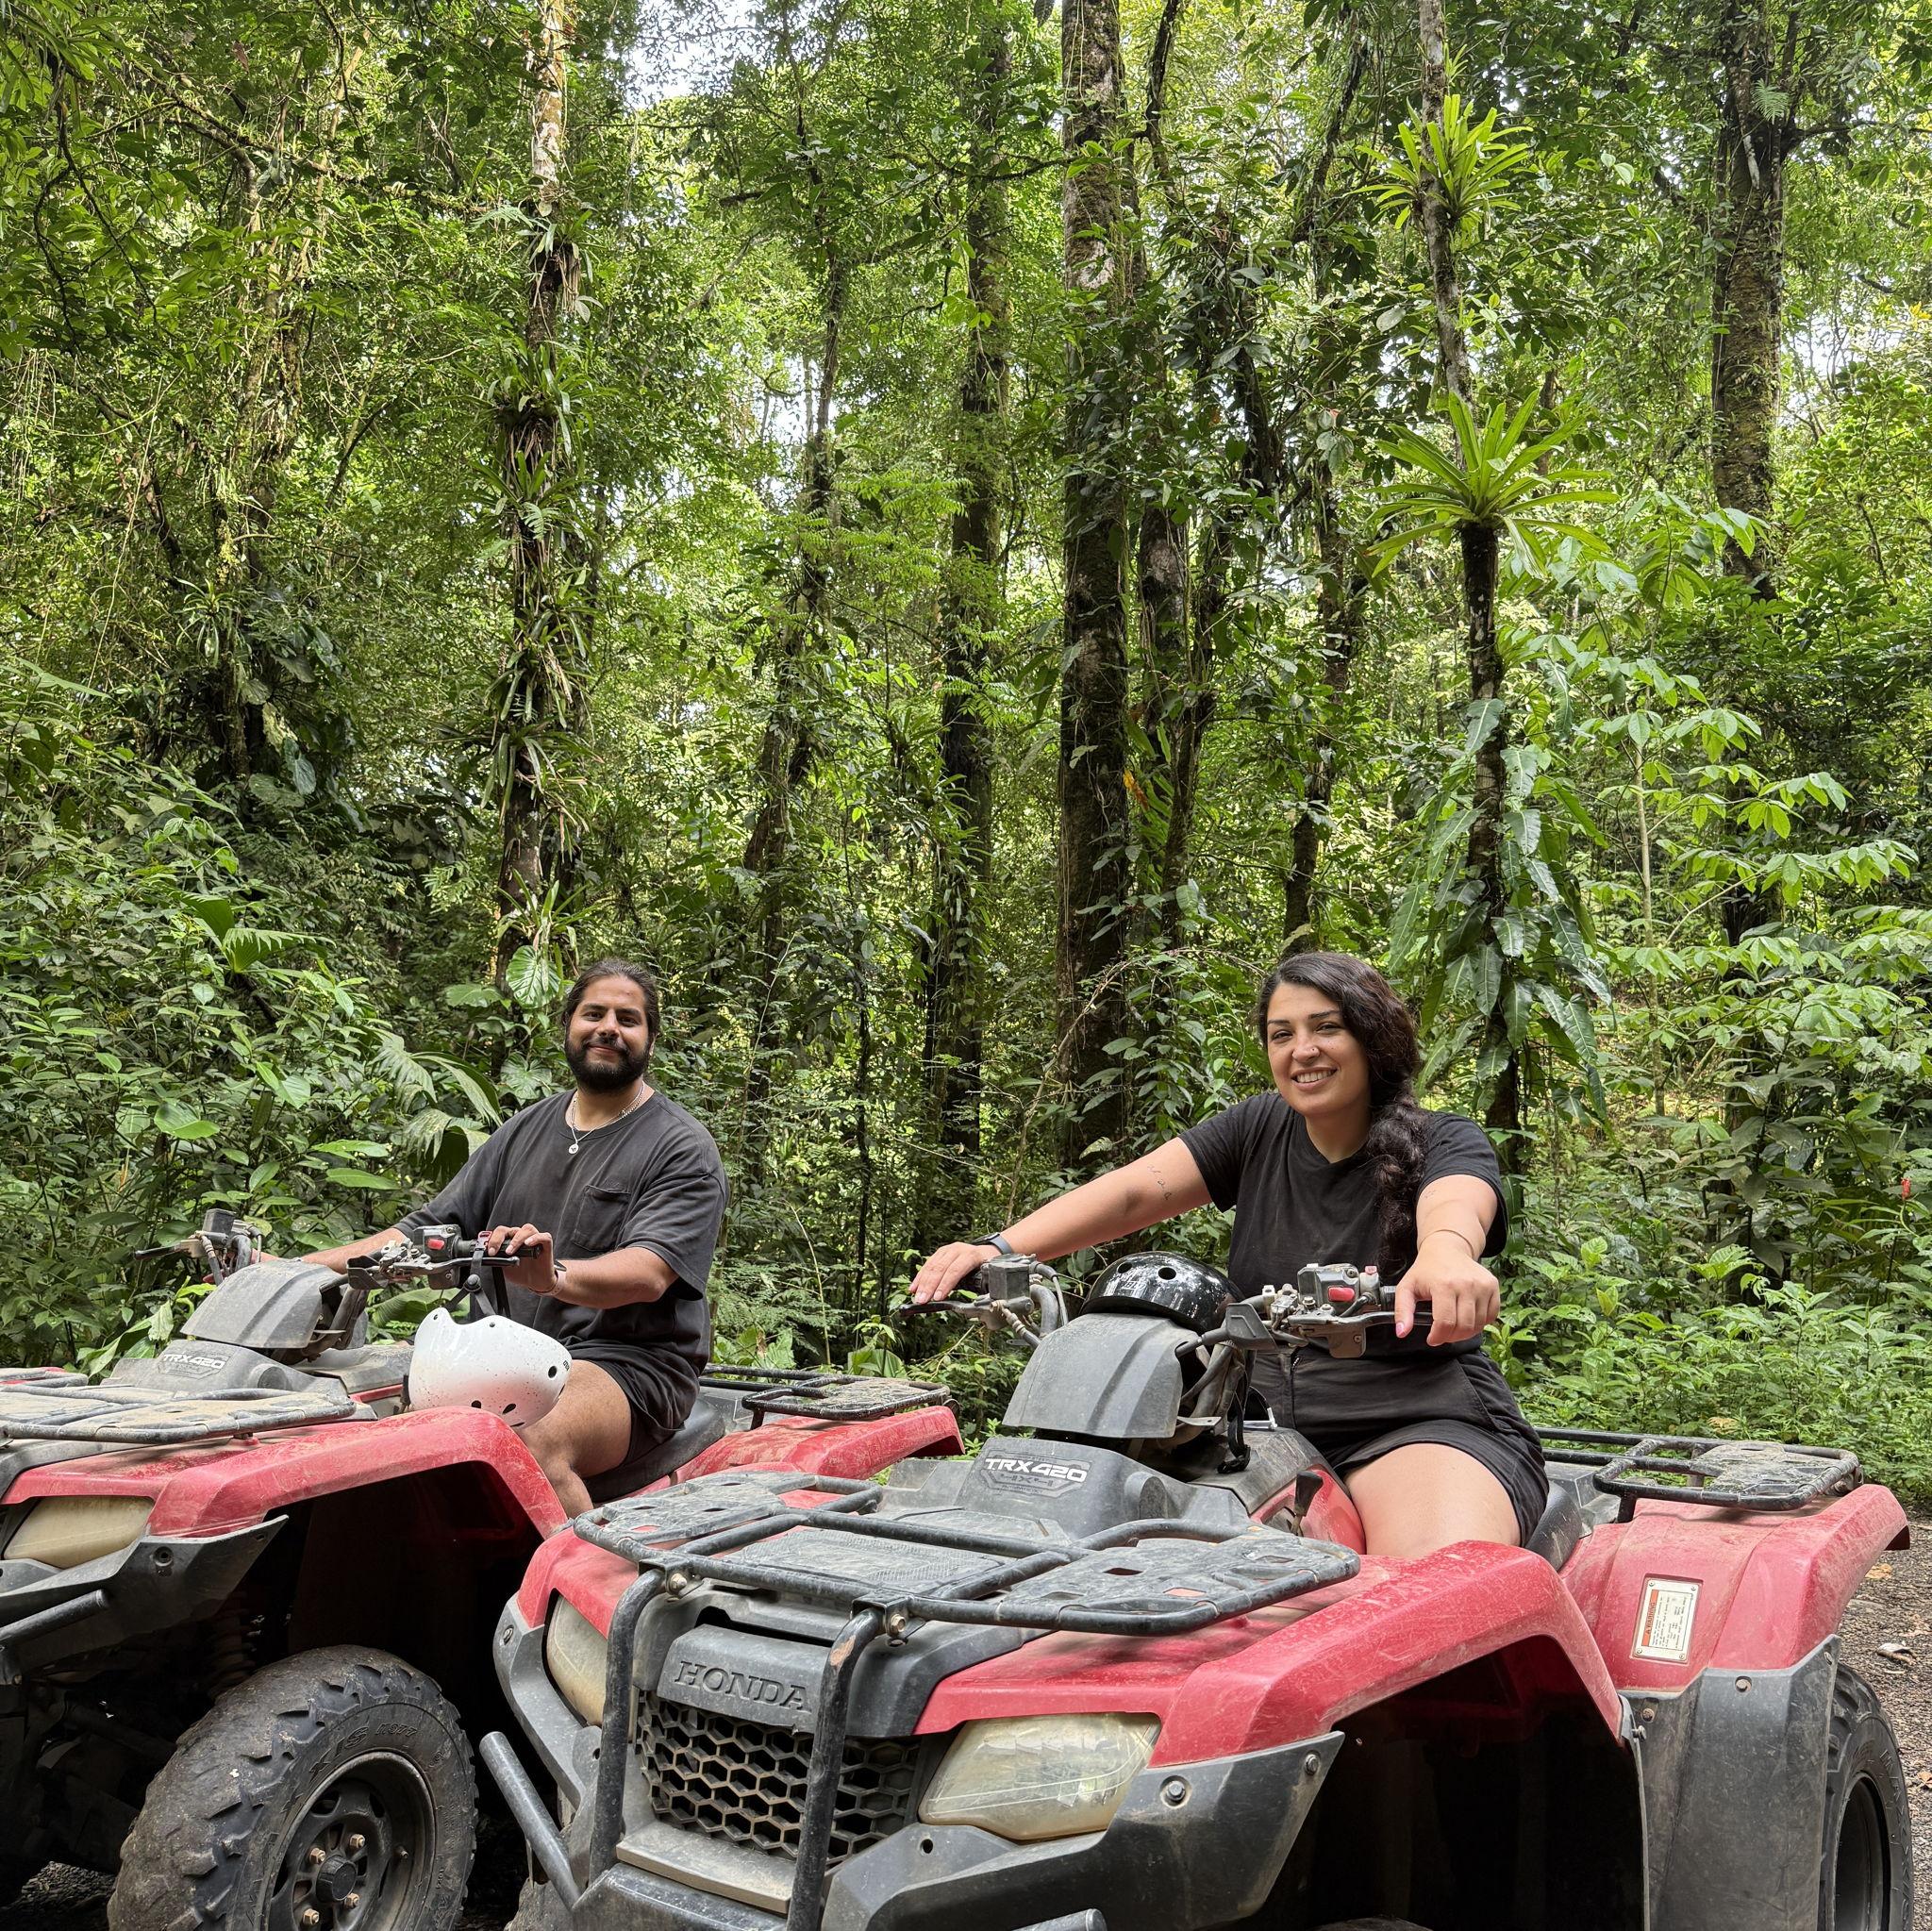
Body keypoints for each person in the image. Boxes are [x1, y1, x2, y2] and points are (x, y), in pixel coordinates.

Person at [909, 950, 1543, 1560]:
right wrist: (999, 1247)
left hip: (1412, 1424)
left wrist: (1447, 1253)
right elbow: (1135, 1192)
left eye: (1327, 1027)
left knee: (1421, 1597)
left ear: (1372, 1040)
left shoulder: (1442, 1137)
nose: (1303, 1050)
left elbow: (1456, 1204)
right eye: (1281, 1033)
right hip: (1252, 1432)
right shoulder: (1257, 1127)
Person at [302, 958, 727, 1514]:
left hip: (626, 1365)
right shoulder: (526, 1129)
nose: (608, 1027)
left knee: (522, 1440)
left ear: (650, 1039)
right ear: (568, 1024)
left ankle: (582, 1596)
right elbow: (419, 1232)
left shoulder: (681, 1147)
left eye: (628, 1018)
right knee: (369, 1424)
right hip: (498, 1351)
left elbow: (649, 1273)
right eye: (593, 1012)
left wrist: (554, 1277)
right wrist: (291, 1269)